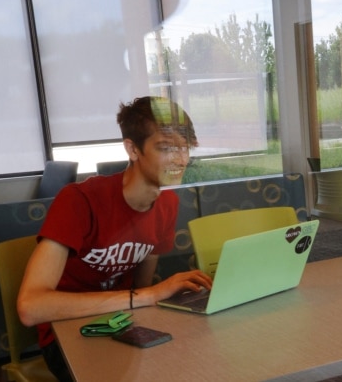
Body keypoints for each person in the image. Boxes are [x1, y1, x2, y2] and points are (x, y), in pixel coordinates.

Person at [18, 96, 213, 382]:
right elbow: (30, 307)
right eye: (166, 148)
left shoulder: (167, 204)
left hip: (121, 321)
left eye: (184, 148)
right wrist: (149, 295)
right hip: (67, 331)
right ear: (132, 149)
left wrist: (157, 297)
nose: (180, 159)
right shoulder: (79, 201)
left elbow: (141, 287)